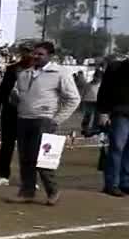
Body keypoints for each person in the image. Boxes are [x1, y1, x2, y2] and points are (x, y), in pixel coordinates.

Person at [5, 41, 79, 206]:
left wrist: (56, 119)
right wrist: (15, 98)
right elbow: (17, 94)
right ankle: (27, 192)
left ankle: (53, 191)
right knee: (25, 158)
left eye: (40, 54)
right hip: (23, 119)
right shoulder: (24, 74)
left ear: (50, 56)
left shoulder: (60, 73)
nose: (36, 57)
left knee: (43, 158)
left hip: (43, 120)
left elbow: (73, 99)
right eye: (35, 53)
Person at [95, 42, 129, 197]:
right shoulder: (121, 67)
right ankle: (112, 184)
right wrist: (103, 112)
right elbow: (105, 90)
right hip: (121, 112)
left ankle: (127, 182)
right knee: (117, 148)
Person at [0, 43, 32, 187]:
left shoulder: (40, 70)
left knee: (29, 148)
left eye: (29, 52)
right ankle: (3, 176)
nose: (27, 55)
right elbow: (2, 92)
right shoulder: (12, 69)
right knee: (7, 146)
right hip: (10, 113)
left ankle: (29, 179)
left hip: (30, 113)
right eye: (24, 51)